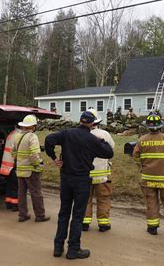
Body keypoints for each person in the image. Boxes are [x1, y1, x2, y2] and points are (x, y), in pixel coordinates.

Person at [45, 111, 114, 260]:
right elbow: (109, 153)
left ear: (81, 121)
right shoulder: (92, 139)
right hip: (82, 180)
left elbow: (49, 139)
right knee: (77, 215)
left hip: (66, 178)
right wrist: (101, 141)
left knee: (64, 212)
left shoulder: (67, 133)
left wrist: (54, 158)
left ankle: (58, 247)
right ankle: (73, 249)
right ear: (92, 123)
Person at [132, 112, 164, 236]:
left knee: (151, 203)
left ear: (147, 127)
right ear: (161, 125)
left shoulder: (142, 140)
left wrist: (143, 165)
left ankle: (152, 228)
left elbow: (136, 157)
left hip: (148, 179)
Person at [12, 114, 50, 223]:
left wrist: (20, 161)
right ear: (33, 126)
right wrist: (38, 164)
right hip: (31, 171)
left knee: (21, 193)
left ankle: (22, 215)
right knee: (36, 193)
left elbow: (13, 153)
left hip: (20, 170)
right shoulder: (32, 137)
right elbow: (34, 154)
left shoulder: (17, 136)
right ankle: (40, 215)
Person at [82, 109, 115, 233]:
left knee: (85, 199)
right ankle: (103, 224)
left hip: (85, 174)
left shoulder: (81, 134)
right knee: (104, 199)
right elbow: (111, 150)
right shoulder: (105, 134)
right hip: (102, 176)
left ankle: (84, 223)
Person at [0, 129, 19, 211]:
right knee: (16, 186)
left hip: (6, 166)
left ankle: (8, 203)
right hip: (13, 165)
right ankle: (15, 205)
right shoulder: (19, 136)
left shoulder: (12, 134)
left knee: (10, 185)